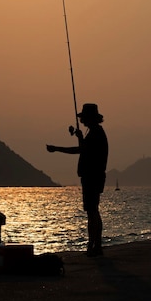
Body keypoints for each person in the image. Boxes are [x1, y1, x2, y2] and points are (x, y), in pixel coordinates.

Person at [46, 103, 108, 257]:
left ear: (89, 118)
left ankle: (93, 245)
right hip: (96, 176)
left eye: (83, 117)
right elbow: (86, 151)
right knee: (94, 210)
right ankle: (96, 245)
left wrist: (57, 149)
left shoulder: (95, 133)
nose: (81, 120)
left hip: (91, 177)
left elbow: (81, 151)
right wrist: (80, 138)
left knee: (92, 211)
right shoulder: (95, 132)